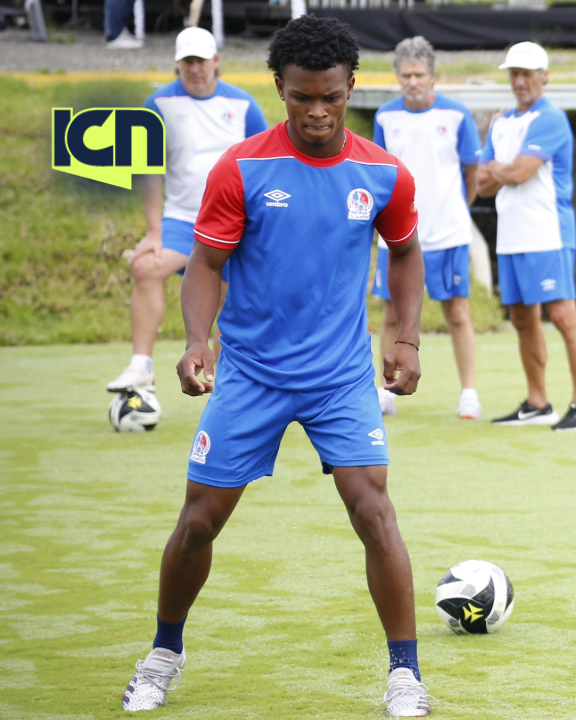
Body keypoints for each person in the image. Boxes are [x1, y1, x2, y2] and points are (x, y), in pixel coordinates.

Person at [120, 16, 433, 716]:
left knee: (374, 511)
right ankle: (164, 652)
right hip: (252, 374)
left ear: (352, 87)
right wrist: (198, 338)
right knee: (199, 520)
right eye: (300, 98)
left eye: (330, 97)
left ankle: (405, 674)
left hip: (339, 377)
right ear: (279, 89)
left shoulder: (382, 173)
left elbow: (406, 252)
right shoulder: (244, 167)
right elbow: (205, 263)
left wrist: (405, 338)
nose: (316, 112)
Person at [106, 27, 268, 394]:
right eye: (187, 62)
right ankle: (141, 366)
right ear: (177, 64)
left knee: (231, 303)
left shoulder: (244, 106)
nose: (195, 69)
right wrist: (153, 231)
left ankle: (231, 383)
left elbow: (264, 167)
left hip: (234, 224)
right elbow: (149, 171)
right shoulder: (157, 104)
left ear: (216, 61)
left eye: (201, 61)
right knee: (145, 266)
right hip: (181, 220)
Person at [478, 42, 576, 432]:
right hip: (512, 237)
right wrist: (502, 169)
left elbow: (516, 174)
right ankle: (537, 401)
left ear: (544, 76)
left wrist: (500, 169)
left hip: (548, 233)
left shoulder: (551, 119)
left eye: (528, 73)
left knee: (563, 315)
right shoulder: (501, 123)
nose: (520, 80)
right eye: (514, 73)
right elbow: (483, 185)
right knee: (521, 318)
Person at [371, 36, 483, 420]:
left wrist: (454, 212)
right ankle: (385, 390)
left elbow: (473, 174)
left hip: (448, 235)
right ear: (397, 76)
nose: (413, 81)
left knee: (457, 314)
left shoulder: (457, 114)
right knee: (390, 315)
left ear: (433, 75)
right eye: (406, 75)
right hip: (397, 238)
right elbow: (380, 174)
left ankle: (469, 393)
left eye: (419, 74)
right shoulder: (385, 116)